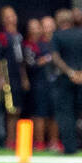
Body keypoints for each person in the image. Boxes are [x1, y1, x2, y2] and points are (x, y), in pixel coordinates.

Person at [49, 9, 82, 154]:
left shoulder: (57, 36)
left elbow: (56, 58)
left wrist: (70, 72)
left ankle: (70, 147)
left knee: (65, 113)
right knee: (80, 113)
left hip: (65, 80)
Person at [0, 6, 27, 148]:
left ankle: (16, 139)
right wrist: (0, 78)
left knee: (17, 109)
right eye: (7, 16)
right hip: (7, 76)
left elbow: (21, 60)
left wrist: (24, 78)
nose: (11, 19)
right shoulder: (2, 37)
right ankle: (7, 140)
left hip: (17, 76)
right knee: (9, 109)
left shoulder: (19, 36)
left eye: (13, 15)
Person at [24, 17, 58, 152]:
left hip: (55, 84)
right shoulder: (34, 44)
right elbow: (30, 64)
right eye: (45, 25)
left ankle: (54, 141)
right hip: (39, 84)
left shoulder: (57, 43)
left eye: (51, 25)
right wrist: (46, 59)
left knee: (54, 114)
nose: (48, 28)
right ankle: (39, 142)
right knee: (39, 114)